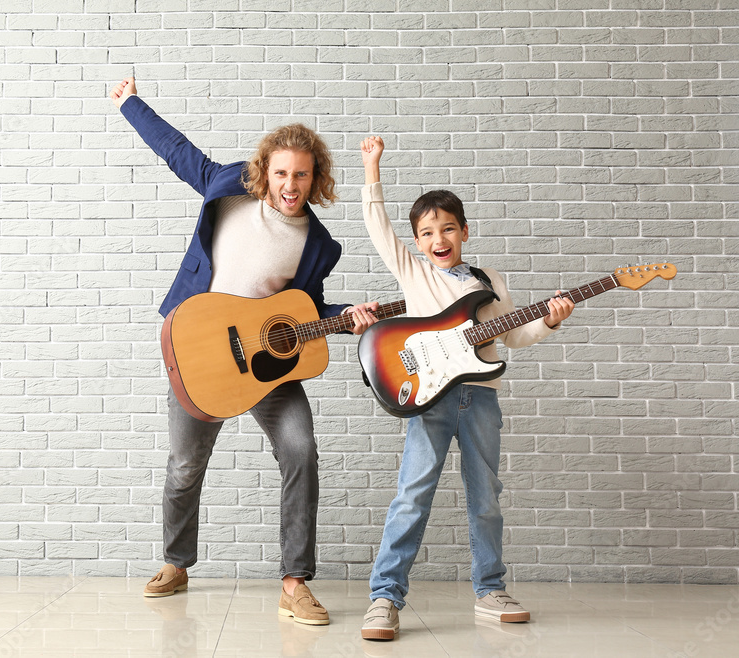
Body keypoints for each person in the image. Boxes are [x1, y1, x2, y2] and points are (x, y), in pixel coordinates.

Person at [109, 77, 379, 626]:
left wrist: (345, 323)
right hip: (203, 351)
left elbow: (307, 309)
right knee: (185, 465)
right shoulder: (227, 186)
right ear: (265, 170)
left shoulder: (320, 243)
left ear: (315, 177)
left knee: (300, 450)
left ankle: (294, 583)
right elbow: (176, 151)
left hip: (268, 366)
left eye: (301, 174)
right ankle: (176, 563)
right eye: (282, 172)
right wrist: (128, 103)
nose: (290, 184)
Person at [356, 136, 575, 641]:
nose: (439, 237)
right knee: (413, 496)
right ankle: (385, 598)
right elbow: (377, 227)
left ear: (464, 232)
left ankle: (491, 590)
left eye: (448, 228)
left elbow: (513, 336)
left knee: (486, 498)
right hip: (429, 400)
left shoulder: (489, 280)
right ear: (417, 240)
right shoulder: (413, 271)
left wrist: (551, 320)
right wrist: (372, 167)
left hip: (480, 398)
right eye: (428, 231)